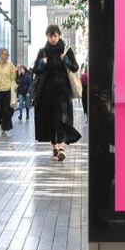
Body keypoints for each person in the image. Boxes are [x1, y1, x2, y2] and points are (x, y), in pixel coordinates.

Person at [33, 24, 81, 161]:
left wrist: (66, 61)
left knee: (61, 119)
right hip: (46, 92)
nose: (53, 39)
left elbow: (75, 68)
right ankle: (55, 149)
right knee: (50, 119)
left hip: (63, 92)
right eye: (50, 36)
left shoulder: (66, 50)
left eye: (55, 35)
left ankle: (61, 148)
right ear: (47, 37)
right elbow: (36, 71)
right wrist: (41, 64)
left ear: (59, 35)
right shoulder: (42, 52)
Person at [0, 48, 17, 135]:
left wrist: (15, 71)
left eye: (7, 54)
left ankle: (4, 127)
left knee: (6, 110)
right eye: (5, 54)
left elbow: (13, 79)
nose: (6, 56)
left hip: (7, 90)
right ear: (0, 54)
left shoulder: (11, 66)